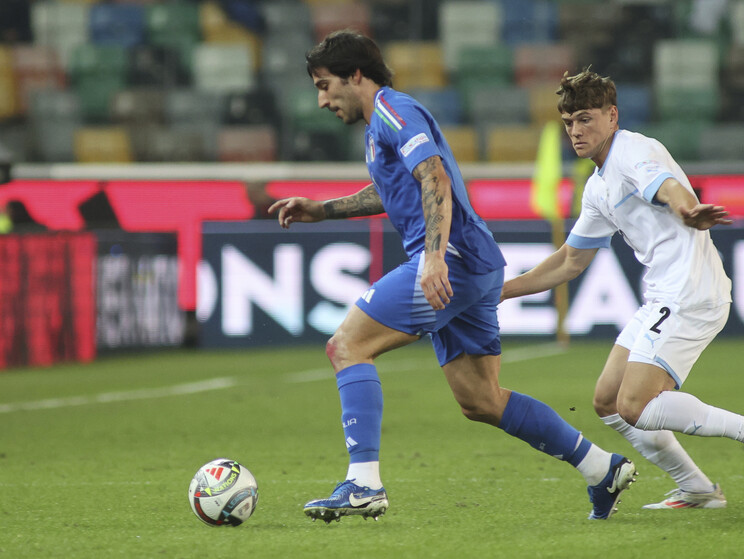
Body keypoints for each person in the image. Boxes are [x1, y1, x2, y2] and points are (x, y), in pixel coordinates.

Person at [268, 31, 636, 523]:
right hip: (477, 264)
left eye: (324, 84)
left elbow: (434, 177)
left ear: (355, 75)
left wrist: (434, 257)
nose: (321, 100)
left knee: (346, 346)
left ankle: (363, 483)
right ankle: (600, 468)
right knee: (481, 400)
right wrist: (325, 210)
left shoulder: (394, 111)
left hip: (453, 261)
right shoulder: (382, 124)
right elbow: (393, 190)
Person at [501, 68, 737, 510]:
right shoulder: (598, 186)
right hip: (664, 295)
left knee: (635, 404)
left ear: (612, 116)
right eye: (569, 122)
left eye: (586, 119)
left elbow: (667, 187)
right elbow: (571, 261)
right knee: (607, 401)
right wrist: (501, 291)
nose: (576, 131)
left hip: (689, 293)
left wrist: (688, 209)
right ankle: (698, 489)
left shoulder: (633, 151)